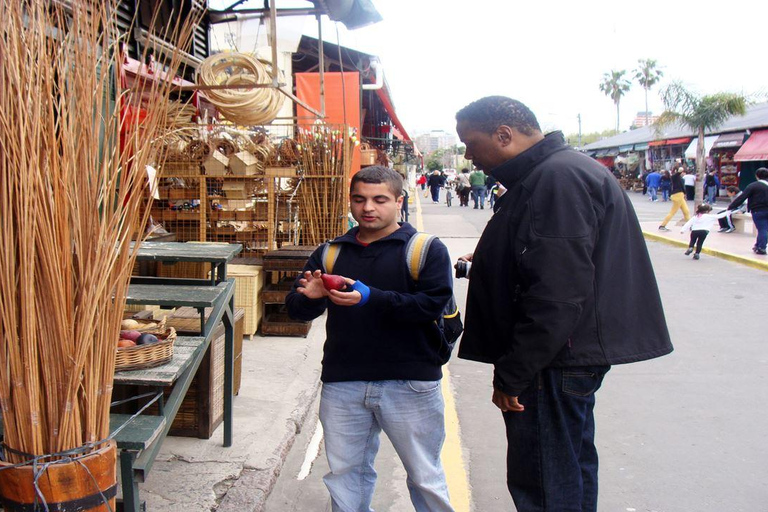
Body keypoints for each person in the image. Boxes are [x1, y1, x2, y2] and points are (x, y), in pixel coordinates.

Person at [454, 96, 672, 512]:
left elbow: (557, 292)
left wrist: (514, 373)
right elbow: (551, 258)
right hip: (562, 358)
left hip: (551, 361)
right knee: (567, 470)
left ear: (504, 135)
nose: (469, 155)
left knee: (545, 482)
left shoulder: (555, 178)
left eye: (471, 143)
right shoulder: (554, 172)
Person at [286, 166, 455, 512]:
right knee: (346, 476)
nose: (368, 208)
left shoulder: (424, 249)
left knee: (425, 476)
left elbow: (430, 306)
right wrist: (314, 296)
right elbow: (296, 310)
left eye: (380, 199)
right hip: (344, 381)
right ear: (350, 201)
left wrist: (371, 297)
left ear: (398, 201)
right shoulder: (331, 253)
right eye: (360, 199)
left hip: (411, 382)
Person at [726, 167, 768, 255]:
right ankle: (757, 245)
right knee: (763, 229)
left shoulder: (753, 186)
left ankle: (762, 247)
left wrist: (731, 207)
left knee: (762, 229)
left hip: (758, 210)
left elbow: (742, 197)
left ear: (757, 176)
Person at [659, 167, 691, 231]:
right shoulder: (675, 177)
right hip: (677, 195)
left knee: (686, 211)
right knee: (673, 212)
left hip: (680, 195)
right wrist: (679, 171)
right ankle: (662, 225)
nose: (683, 173)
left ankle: (690, 225)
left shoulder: (680, 178)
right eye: (683, 172)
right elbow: (676, 175)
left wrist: (684, 194)